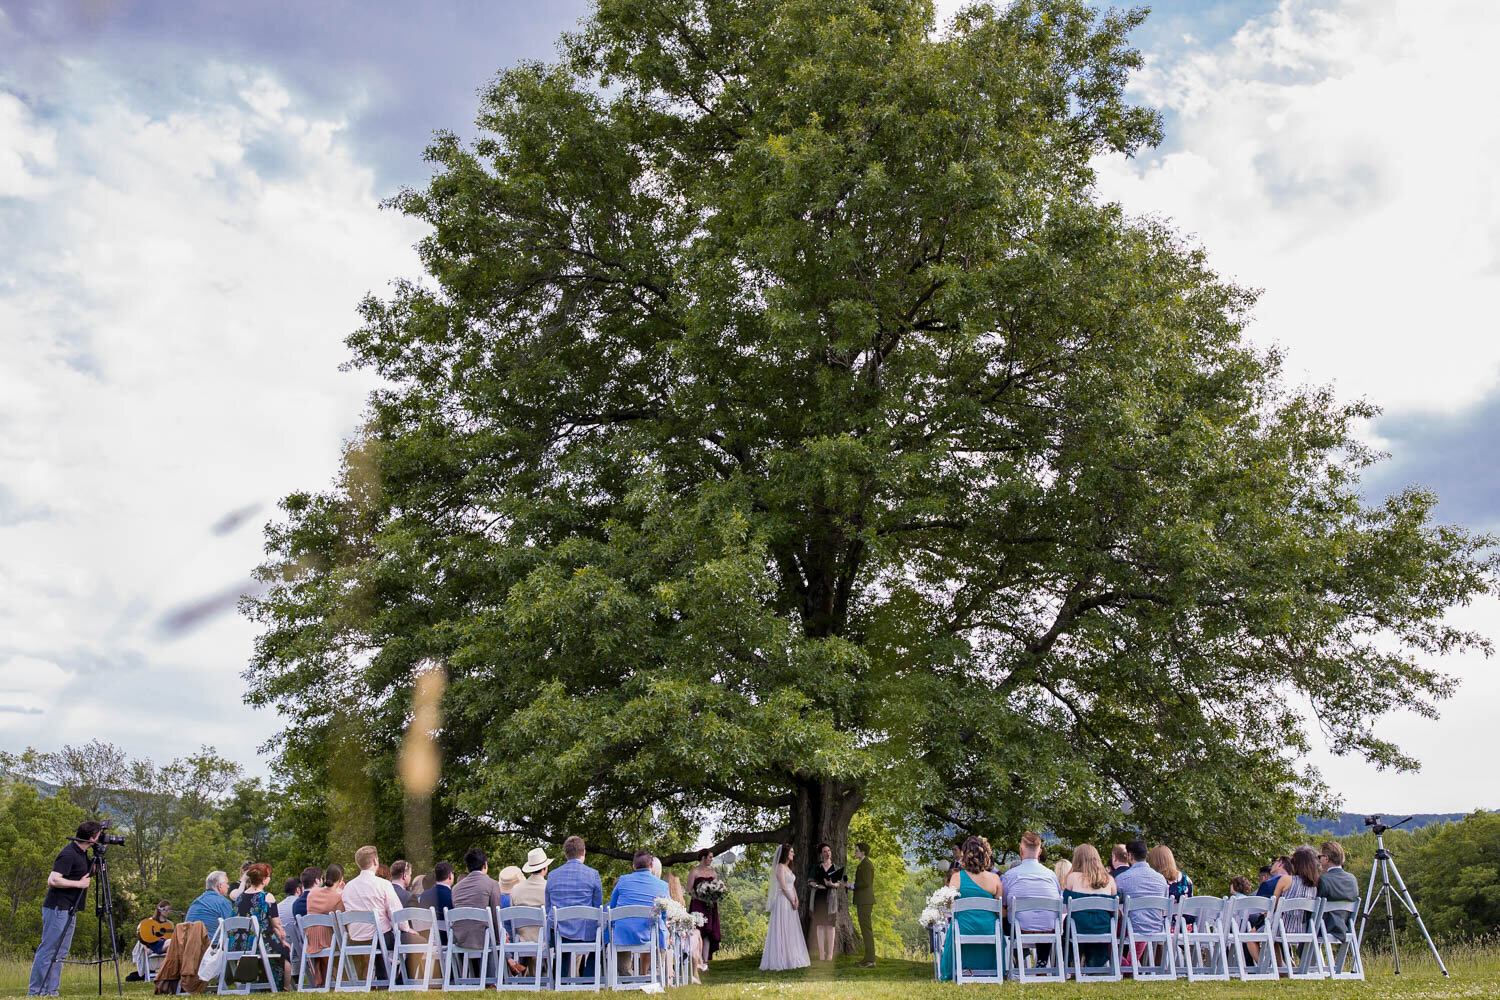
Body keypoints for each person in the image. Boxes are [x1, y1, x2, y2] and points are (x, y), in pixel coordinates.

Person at [28, 820, 100, 996]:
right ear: (91, 838)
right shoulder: (68, 854)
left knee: (60, 952)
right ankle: (36, 991)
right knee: (48, 949)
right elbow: (53, 880)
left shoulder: (82, 854)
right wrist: (79, 884)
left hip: (70, 909)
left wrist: (97, 868)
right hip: (57, 908)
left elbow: (83, 872)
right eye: (98, 836)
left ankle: (51, 990)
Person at [938, 835, 1002, 981]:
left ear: (965, 855)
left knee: (954, 927)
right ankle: (991, 969)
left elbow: (949, 905)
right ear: (986, 854)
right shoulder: (995, 880)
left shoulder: (957, 878)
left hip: (963, 929)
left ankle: (958, 968)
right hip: (989, 931)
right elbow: (1001, 912)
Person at [341, 846, 407, 981]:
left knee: (383, 935)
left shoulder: (348, 887)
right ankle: (400, 981)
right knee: (411, 940)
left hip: (356, 939)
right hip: (379, 938)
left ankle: (383, 979)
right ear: (375, 861)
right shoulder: (383, 884)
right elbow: (396, 913)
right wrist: (406, 928)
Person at [1001, 830, 1062, 968]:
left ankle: (1016, 962)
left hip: (1019, 928)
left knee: (1006, 916)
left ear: (1021, 850)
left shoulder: (1010, 875)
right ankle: (1042, 961)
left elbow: (1003, 903)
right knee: (1043, 917)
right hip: (1049, 928)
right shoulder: (1051, 875)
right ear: (1039, 852)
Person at [547, 836, 604, 977]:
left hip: (559, 933)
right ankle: (589, 978)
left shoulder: (552, 875)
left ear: (565, 854)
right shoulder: (593, 875)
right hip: (586, 934)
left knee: (558, 928)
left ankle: (559, 978)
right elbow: (598, 908)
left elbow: (549, 908)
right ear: (583, 852)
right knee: (604, 938)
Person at [232, 862, 293, 990]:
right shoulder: (267, 897)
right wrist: (283, 939)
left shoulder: (239, 898)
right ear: (264, 880)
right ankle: (285, 988)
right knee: (284, 950)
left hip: (237, 944)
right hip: (258, 943)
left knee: (275, 946)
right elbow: (277, 926)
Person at [608, 851, 669, 978]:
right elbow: (665, 914)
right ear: (651, 866)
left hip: (624, 932)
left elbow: (612, 908)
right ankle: (656, 974)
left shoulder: (622, 881)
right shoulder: (662, 885)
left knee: (620, 928)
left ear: (634, 866)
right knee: (662, 930)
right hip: (649, 932)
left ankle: (626, 976)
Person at [1062, 844, 1117, 968]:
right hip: (1102, 928)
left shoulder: (1072, 878)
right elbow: (1114, 910)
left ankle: (1071, 962)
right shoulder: (1109, 880)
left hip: (1077, 928)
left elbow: (1067, 907)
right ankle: (1096, 962)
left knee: (1072, 921)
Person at [1114, 839, 1168, 962]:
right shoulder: (1161, 879)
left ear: (1130, 856)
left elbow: (1115, 903)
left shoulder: (1122, 878)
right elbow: (1163, 910)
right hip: (1156, 927)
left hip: (1131, 928)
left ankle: (1121, 962)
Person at [760, 844, 810, 971]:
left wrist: (796, 898)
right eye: (791, 852)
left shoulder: (788, 868)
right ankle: (781, 957)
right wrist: (791, 899)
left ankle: (791, 955)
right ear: (785, 853)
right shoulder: (780, 867)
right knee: (783, 927)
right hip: (783, 900)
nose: (793, 854)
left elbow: (792, 885)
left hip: (791, 899)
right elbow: (783, 886)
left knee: (790, 927)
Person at [452, 848, 506, 948]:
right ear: (485, 865)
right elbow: (495, 916)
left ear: (467, 868)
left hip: (460, 941)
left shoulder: (455, 888)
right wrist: (500, 941)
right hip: (483, 940)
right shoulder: (492, 884)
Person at [303, 863, 346, 987]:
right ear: (340, 879)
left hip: (311, 939)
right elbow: (341, 920)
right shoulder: (338, 897)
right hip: (328, 941)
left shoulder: (312, 894)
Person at [1271, 845, 1321, 935]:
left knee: (1252, 936)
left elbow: (1272, 906)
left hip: (1281, 928)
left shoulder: (1285, 880)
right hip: (1303, 930)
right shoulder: (1314, 886)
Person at [807, 843, 844, 962]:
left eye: (829, 850)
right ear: (821, 854)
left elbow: (839, 883)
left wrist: (832, 884)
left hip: (831, 898)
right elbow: (810, 881)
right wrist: (818, 886)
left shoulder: (836, 867)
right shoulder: (817, 867)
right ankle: (822, 954)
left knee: (830, 926)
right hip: (819, 897)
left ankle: (830, 954)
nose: (827, 853)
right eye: (824, 851)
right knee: (820, 925)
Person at [1317, 841, 1360, 942]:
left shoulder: (1323, 880)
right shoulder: (1352, 879)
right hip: (1345, 927)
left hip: (1324, 928)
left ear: (1326, 858)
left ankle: (1298, 957)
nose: (1319, 860)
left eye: (1319, 857)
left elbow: (1317, 906)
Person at [686, 849, 721, 971]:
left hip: (710, 906)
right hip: (697, 905)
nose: (711, 859)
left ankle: (705, 962)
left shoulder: (713, 873)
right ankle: (697, 960)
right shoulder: (694, 871)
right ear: (703, 857)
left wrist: (714, 895)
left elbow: (717, 888)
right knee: (697, 932)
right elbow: (689, 889)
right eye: (710, 857)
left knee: (708, 933)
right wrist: (700, 896)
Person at [511, 847, 552, 944]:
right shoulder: (549, 888)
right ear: (545, 868)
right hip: (545, 941)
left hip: (521, 940)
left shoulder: (516, 889)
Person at [853, 842, 876, 968]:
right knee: (865, 930)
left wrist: (851, 886)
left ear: (863, 852)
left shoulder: (866, 865)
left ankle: (870, 960)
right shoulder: (863, 864)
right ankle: (867, 958)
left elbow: (866, 883)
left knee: (866, 930)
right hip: (863, 901)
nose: (855, 852)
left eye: (857, 850)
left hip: (865, 901)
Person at [276, 877, 303, 966]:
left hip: (282, 949)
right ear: (298, 890)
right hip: (299, 950)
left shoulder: (278, 907)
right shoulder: (299, 905)